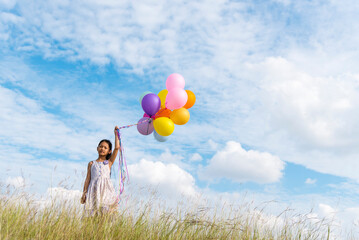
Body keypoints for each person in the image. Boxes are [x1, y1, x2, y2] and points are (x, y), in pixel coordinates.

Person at [81, 126, 120, 216]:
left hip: (106, 191)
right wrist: (84, 193)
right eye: (100, 146)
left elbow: (117, 148)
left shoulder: (109, 162)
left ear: (109, 151)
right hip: (94, 190)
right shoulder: (91, 163)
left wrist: (116, 134)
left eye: (105, 148)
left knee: (105, 213)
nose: (102, 149)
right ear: (97, 148)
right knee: (93, 214)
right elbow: (87, 179)